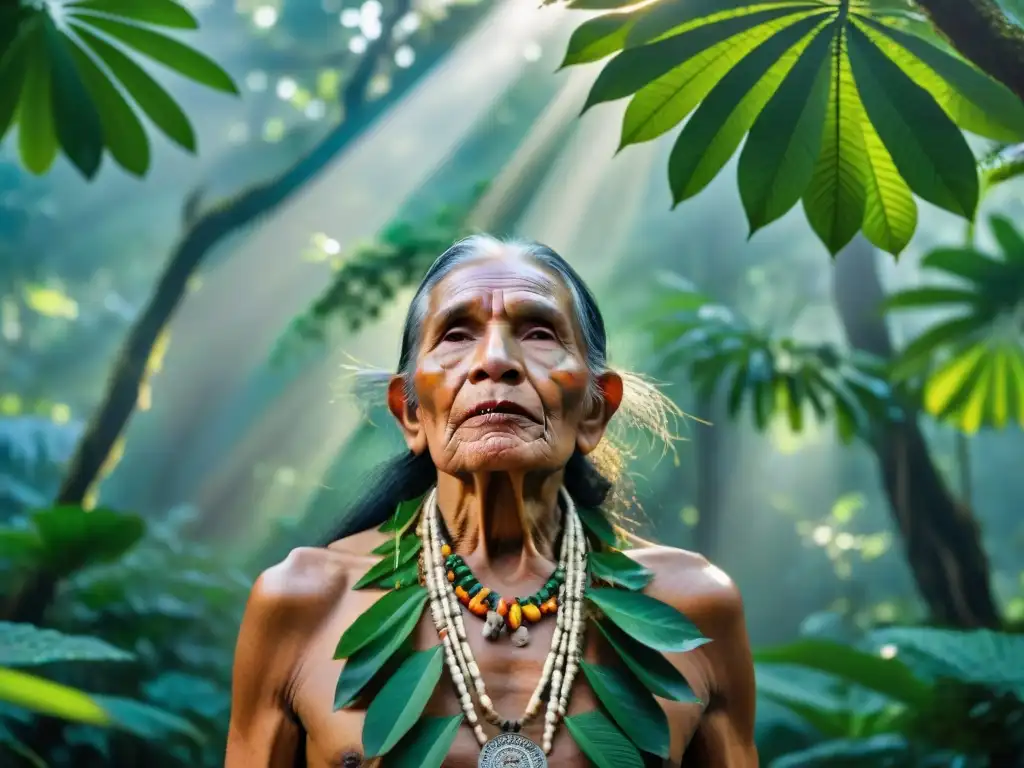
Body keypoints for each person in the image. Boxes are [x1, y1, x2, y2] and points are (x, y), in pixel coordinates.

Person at [226, 235, 758, 767]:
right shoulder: (302, 604)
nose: (496, 360)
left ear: (595, 410)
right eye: (457, 334)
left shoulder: (692, 610)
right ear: (410, 412)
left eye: (539, 332)